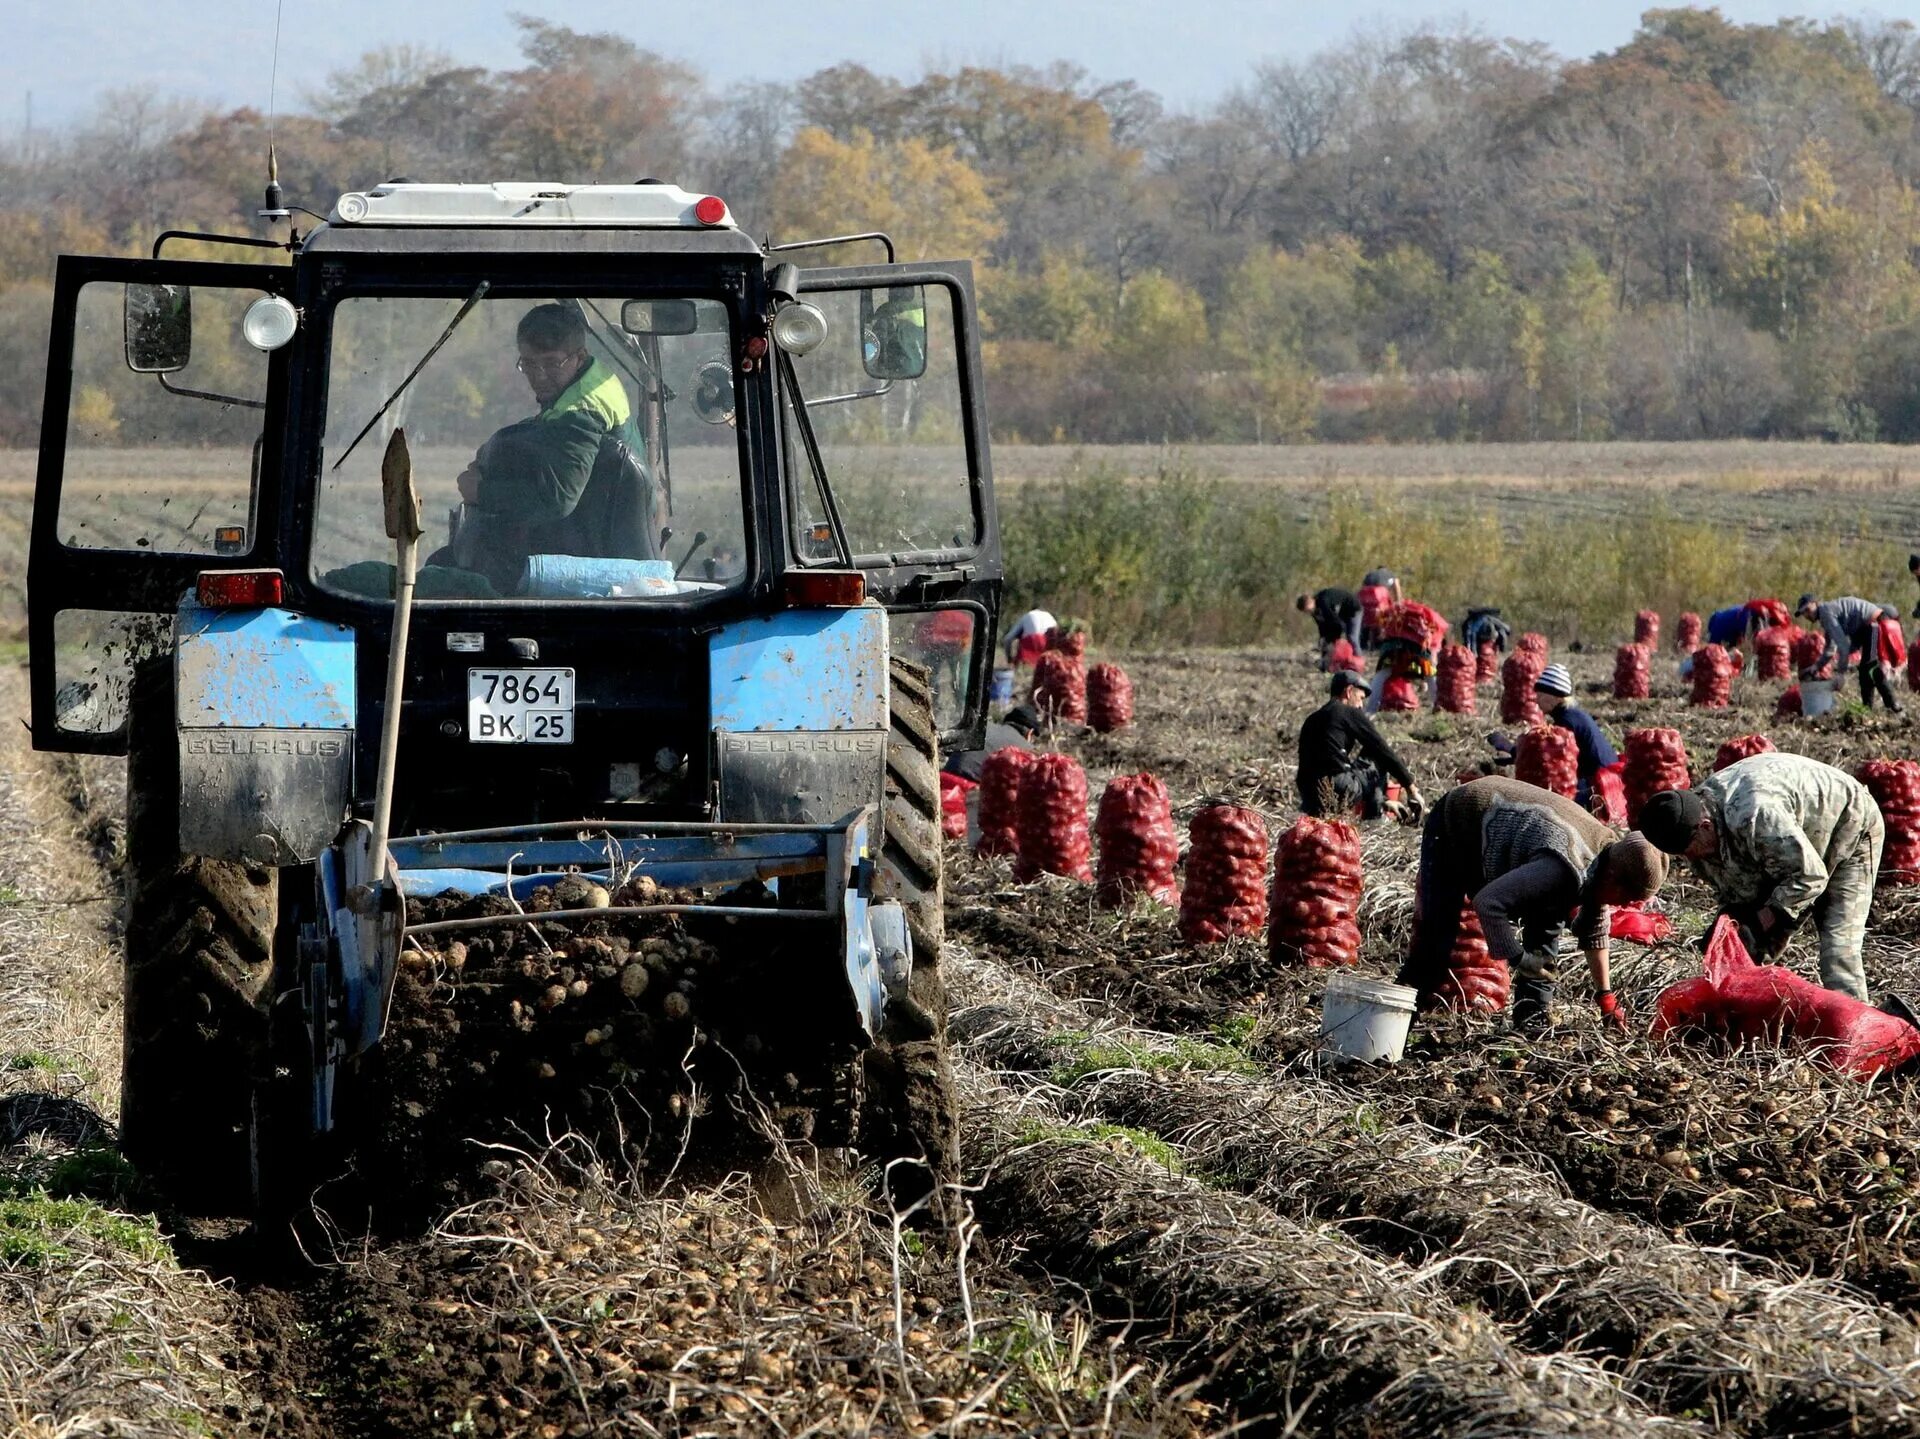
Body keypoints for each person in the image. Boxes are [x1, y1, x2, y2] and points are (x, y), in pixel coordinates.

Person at [1396, 777, 1669, 1034]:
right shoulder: (1562, 867)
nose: (1622, 905)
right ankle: (1396, 1015)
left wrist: (1606, 998)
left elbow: (1594, 930)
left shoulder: (1607, 855)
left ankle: (1531, 1022)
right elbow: (1488, 903)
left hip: (1523, 838)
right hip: (1460, 819)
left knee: (1547, 925)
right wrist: (1518, 958)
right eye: (1626, 899)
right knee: (1438, 934)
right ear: (1614, 880)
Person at [433, 303, 653, 593]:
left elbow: (558, 500)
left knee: (449, 580)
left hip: (593, 554)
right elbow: (550, 431)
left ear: (578, 357)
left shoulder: (580, 412)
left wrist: (480, 492)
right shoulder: (590, 380)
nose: (539, 375)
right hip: (595, 533)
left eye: (551, 363)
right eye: (529, 364)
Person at [1639, 752, 1885, 1002]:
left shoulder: (1754, 816)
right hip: (1791, 845)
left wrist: (1759, 923)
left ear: (1705, 826)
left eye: (1689, 850)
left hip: (1849, 827)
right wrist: (1729, 928)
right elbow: (1739, 893)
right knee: (1749, 946)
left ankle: (1860, 1028)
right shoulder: (1693, 832)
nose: (1691, 859)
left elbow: (1809, 878)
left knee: (1837, 948)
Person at [1295, 670, 1423, 820]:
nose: (1361, 705)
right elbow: (1382, 749)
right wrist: (1410, 787)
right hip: (1337, 787)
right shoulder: (1348, 711)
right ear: (1349, 692)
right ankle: (1376, 817)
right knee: (1375, 754)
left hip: (1308, 792)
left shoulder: (1313, 718)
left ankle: (1382, 803)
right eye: (1361, 698)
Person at [1797, 594, 1901, 712]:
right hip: (1861, 628)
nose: (1806, 615)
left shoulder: (1826, 612)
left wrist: (1841, 674)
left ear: (1816, 603)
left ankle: (1893, 704)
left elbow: (1843, 647)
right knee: (1864, 670)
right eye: (1803, 613)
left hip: (1872, 622)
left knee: (1869, 666)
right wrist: (1816, 667)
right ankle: (1867, 709)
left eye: (1807, 610)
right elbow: (1830, 650)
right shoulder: (1826, 616)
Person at [1532, 663, 1618, 806]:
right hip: (1604, 779)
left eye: (1540, 694)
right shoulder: (1572, 714)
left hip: (1599, 786)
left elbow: (1549, 756)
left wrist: (1514, 750)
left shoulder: (1567, 722)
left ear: (1556, 697)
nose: (1536, 699)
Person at [1295, 588, 1363, 664]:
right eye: (1306, 612)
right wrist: (1323, 639)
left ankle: (1359, 661)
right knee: (1327, 640)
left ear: (1310, 602)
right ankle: (1330, 662)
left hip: (1353, 609)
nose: (1308, 612)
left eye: (1308, 610)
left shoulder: (1324, 603)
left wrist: (1336, 639)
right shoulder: (1314, 609)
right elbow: (1322, 625)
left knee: (1352, 637)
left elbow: (1337, 624)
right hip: (1342, 612)